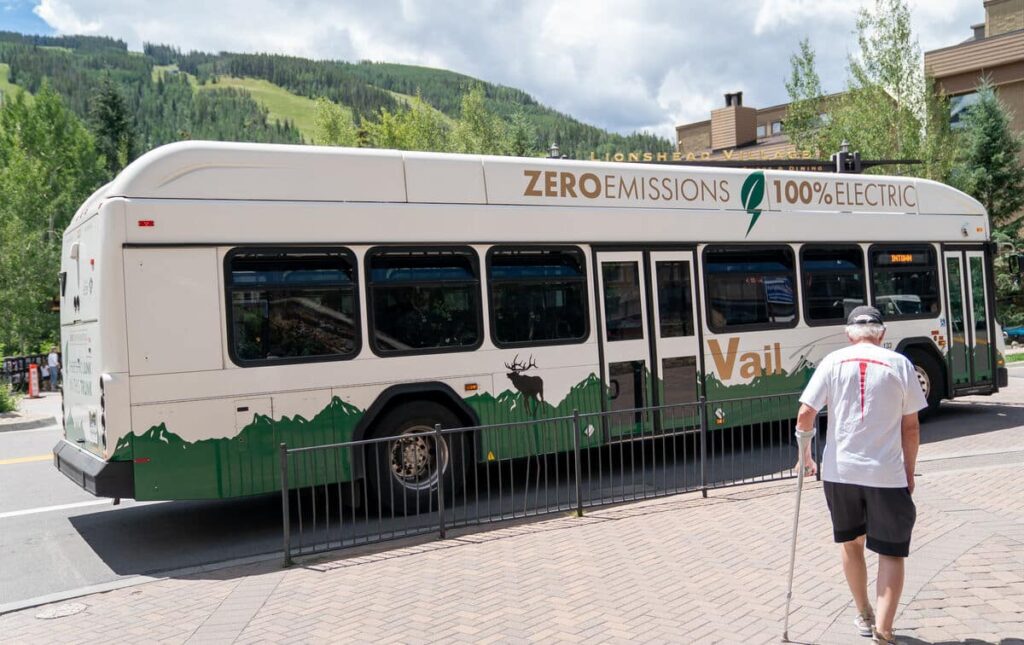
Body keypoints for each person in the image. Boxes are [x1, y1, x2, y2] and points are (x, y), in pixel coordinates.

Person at [795, 306, 925, 645]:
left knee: (851, 543)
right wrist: (909, 472)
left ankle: (864, 612)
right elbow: (910, 428)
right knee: (891, 551)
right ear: (881, 334)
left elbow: (805, 413)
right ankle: (883, 631)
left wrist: (805, 456)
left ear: (849, 335)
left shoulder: (832, 361)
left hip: (841, 472)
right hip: (886, 473)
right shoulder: (900, 364)